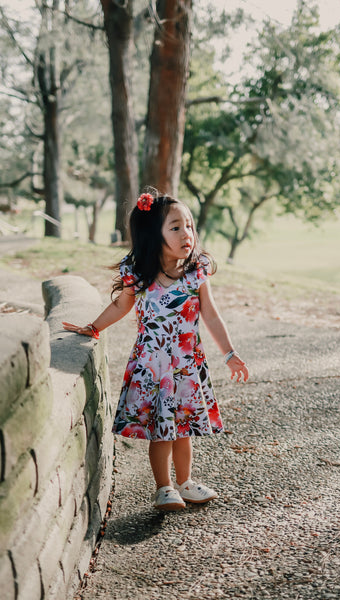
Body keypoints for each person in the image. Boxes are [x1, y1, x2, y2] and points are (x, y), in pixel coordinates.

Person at [63, 192, 249, 511]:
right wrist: (93, 327)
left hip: (188, 367)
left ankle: (186, 482)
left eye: (189, 225)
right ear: (154, 234)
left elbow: (212, 315)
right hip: (153, 366)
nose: (186, 233)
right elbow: (120, 306)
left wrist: (230, 353)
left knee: (184, 428)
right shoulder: (139, 274)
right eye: (175, 227)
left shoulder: (196, 271)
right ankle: (164, 487)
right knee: (161, 430)